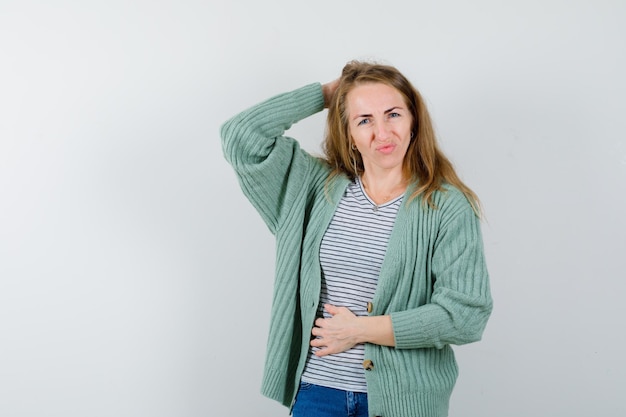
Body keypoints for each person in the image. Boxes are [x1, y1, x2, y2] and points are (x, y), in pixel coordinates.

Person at [220, 60, 493, 417]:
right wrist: (326, 94)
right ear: (348, 133)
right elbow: (242, 137)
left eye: (393, 114)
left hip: (404, 402)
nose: (382, 133)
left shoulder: (445, 205)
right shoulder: (313, 189)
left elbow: (466, 314)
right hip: (318, 394)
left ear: (413, 120)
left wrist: (360, 330)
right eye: (364, 120)